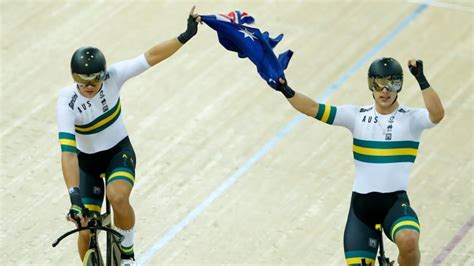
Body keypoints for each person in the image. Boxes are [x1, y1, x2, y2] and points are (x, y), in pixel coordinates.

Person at [56, 7, 201, 265]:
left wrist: (185, 36)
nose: (89, 86)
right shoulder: (66, 102)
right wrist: (74, 197)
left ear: (103, 74)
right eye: (82, 80)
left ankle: (127, 254)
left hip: (116, 153)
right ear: (73, 77)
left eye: (95, 80)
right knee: (84, 225)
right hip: (86, 164)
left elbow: (151, 56)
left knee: (118, 197)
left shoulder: (115, 75)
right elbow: (68, 153)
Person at [270, 58, 444, 266]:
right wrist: (285, 89)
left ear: (400, 86)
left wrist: (422, 80)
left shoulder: (411, 119)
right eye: (377, 85)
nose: (385, 91)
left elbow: (437, 114)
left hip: (395, 204)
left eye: (392, 84)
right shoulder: (356, 116)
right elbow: (314, 108)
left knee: (408, 240)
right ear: (370, 86)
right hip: (362, 210)